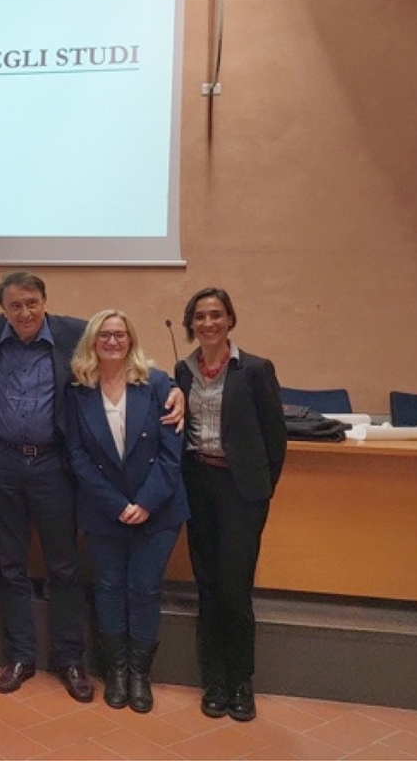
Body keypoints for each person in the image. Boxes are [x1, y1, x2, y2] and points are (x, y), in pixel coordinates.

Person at [0, 271, 184, 697]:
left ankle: (70, 659)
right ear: (2, 309)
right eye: (14, 305)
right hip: (2, 464)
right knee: (10, 566)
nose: (24, 312)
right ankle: (20, 655)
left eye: (32, 303)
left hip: (54, 466)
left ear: (44, 301)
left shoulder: (76, 332)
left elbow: (126, 359)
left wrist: (175, 388)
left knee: (63, 566)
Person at [65, 310, 188, 713]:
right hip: (104, 511)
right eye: (105, 335)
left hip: (159, 511)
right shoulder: (78, 389)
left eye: (120, 334)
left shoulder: (157, 384)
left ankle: (140, 674)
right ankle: (115, 671)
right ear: (93, 341)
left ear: (131, 340)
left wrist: (145, 504)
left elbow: (172, 456)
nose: (113, 341)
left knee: (145, 589)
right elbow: (78, 456)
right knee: (108, 589)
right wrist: (117, 505)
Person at [174, 287, 286, 723]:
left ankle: (241, 681)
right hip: (198, 483)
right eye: (199, 316)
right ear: (191, 323)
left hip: (242, 491)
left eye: (216, 315)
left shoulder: (255, 369)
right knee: (206, 585)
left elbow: (275, 439)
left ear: (230, 320)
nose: (208, 323)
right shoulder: (182, 371)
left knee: (234, 587)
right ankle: (214, 681)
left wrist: (261, 488)